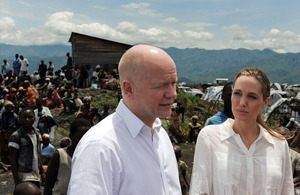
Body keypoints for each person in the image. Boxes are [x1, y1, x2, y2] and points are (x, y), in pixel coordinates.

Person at [67, 45, 181, 194]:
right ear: (128, 89)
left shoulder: (160, 134)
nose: (173, 93)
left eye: (173, 83)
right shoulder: (101, 147)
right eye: (161, 85)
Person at [190, 67, 294, 194]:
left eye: (252, 97)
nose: (242, 102)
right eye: (237, 93)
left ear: (265, 102)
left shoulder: (278, 144)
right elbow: (199, 190)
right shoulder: (210, 137)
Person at [44, 118, 91, 195]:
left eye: (86, 137)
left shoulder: (91, 156)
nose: (83, 140)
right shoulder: (60, 155)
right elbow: (48, 185)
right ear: (71, 136)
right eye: (79, 137)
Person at [9, 107, 45, 188]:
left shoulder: (37, 134)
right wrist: (17, 180)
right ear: (20, 119)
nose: (27, 119)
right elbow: (12, 158)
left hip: (36, 174)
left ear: (34, 118)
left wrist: (42, 172)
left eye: (30, 117)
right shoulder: (16, 136)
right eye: (24, 117)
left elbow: (38, 154)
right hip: (24, 175)